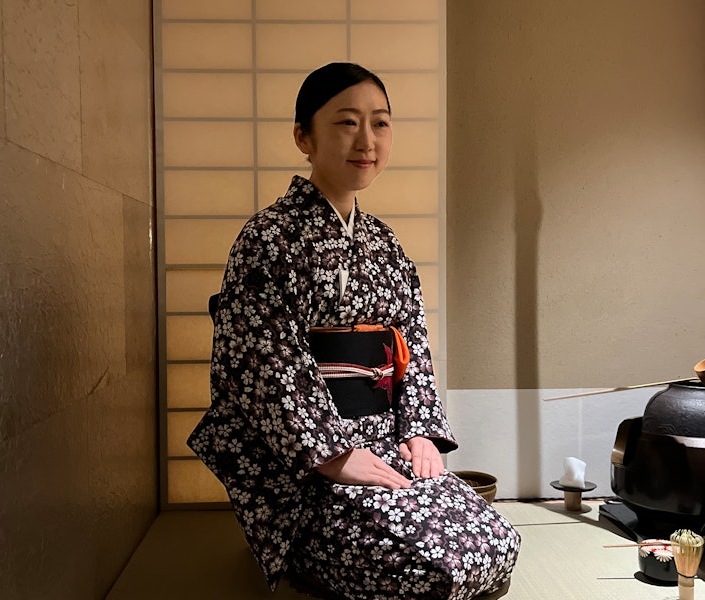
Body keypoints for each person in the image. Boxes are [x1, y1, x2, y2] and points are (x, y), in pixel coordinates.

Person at [188, 62, 520, 599]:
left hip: (384, 446)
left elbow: (412, 344)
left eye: (381, 123)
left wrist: (417, 431)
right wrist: (332, 455)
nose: (367, 140)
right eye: (346, 122)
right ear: (304, 136)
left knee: (497, 541)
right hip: (303, 465)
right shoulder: (268, 238)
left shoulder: (385, 242)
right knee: (424, 568)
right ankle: (302, 556)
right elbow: (267, 364)